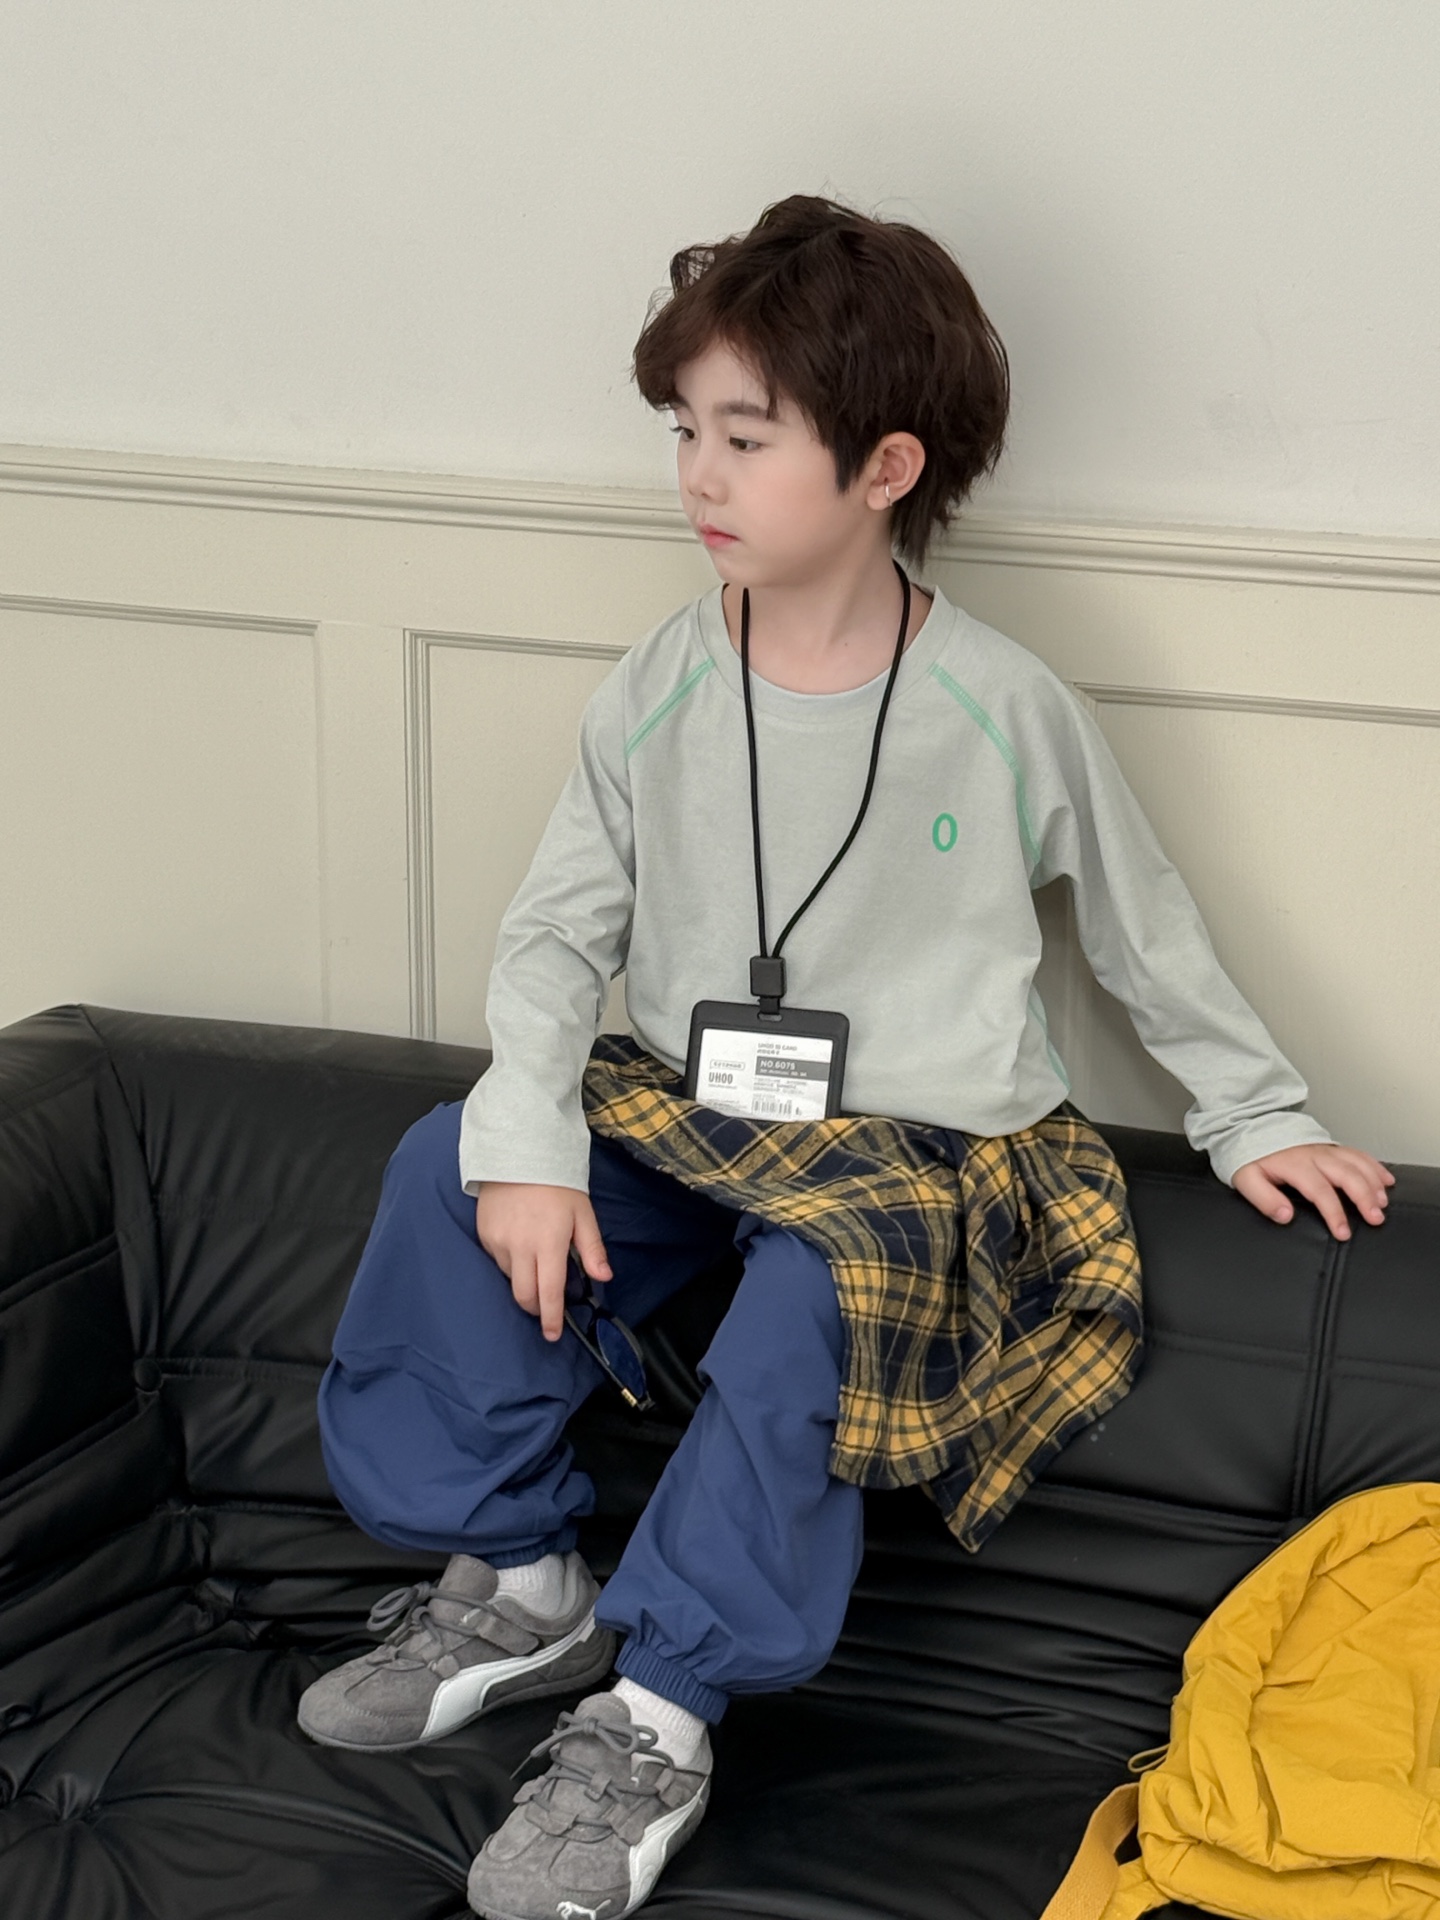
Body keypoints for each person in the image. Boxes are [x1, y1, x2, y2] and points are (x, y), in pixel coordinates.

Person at [298, 197, 1394, 1920]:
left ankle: (659, 1716)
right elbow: (554, 934)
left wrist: (1257, 1113)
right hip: (697, 1111)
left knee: (824, 1282)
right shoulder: (660, 681)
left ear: (886, 467)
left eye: (746, 438)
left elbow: (1144, 926)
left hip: (926, 1154)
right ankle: (520, 1583)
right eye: (684, 430)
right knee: (448, 1165)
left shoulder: (1003, 704)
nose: (699, 477)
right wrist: (525, 1141)